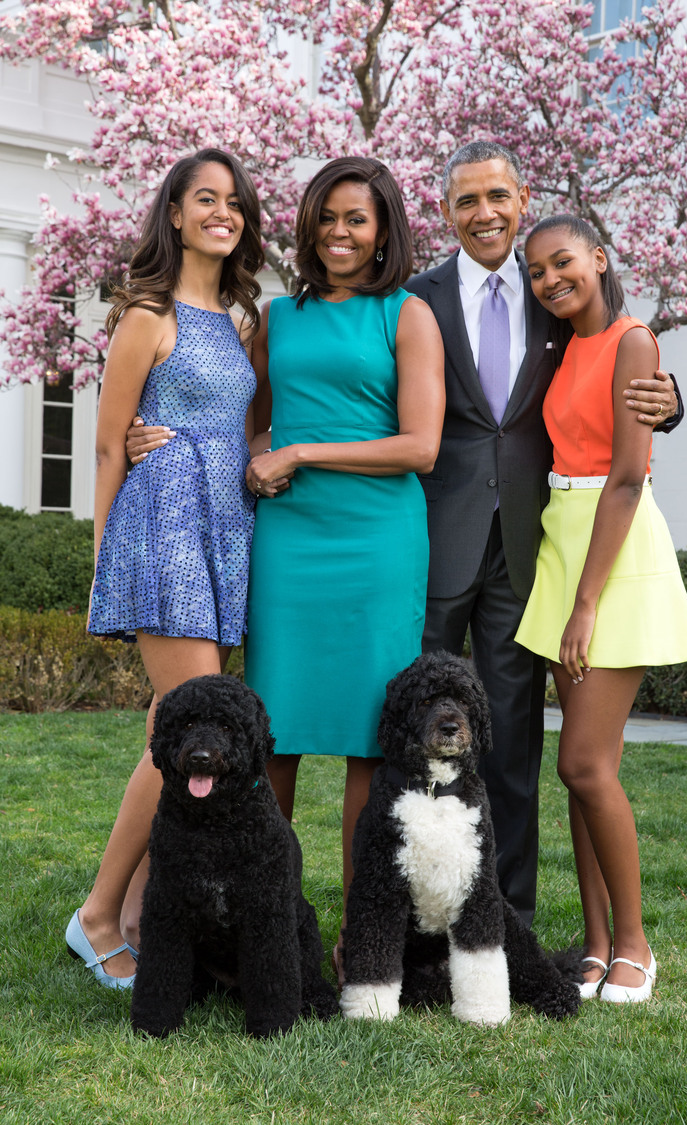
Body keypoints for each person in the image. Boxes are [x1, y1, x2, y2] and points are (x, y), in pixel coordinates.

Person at [405, 141, 682, 925]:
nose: (483, 213)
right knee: (411, 732)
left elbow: (617, 366)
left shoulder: (552, 290)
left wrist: (670, 398)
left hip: (532, 551)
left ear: (522, 200)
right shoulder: (417, 299)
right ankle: (417, 912)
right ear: (447, 212)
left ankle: (509, 921)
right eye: (466, 200)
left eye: (496, 196)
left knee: (514, 743)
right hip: (435, 539)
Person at [66, 149, 264, 988]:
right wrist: (107, 553)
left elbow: (243, 426)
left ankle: (143, 912)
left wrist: (266, 455)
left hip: (228, 523)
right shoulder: (146, 313)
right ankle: (101, 914)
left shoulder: (244, 318)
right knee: (181, 724)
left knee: (173, 723)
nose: (222, 213)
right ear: (175, 214)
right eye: (204, 199)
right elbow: (110, 441)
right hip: (164, 523)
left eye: (234, 202)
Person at [243, 157, 444, 979]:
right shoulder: (276, 317)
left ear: (385, 228)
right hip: (290, 543)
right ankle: (266, 938)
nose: (338, 232)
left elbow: (420, 446)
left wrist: (302, 450)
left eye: (356, 218)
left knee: (371, 742)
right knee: (271, 737)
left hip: (377, 542)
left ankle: (362, 945)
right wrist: (257, 451)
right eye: (326, 216)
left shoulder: (409, 314)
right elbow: (248, 424)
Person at [515, 214, 687, 1001]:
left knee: (582, 762)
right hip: (562, 538)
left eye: (563, 263)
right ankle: (593, 944)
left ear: (599, 257)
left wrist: (585, 604)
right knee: (586, 771)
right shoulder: (561, 345)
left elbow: (627, 476)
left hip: (611, 549)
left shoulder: (634, 339)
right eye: (536, 272)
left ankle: (634, 943)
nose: (551, 280)